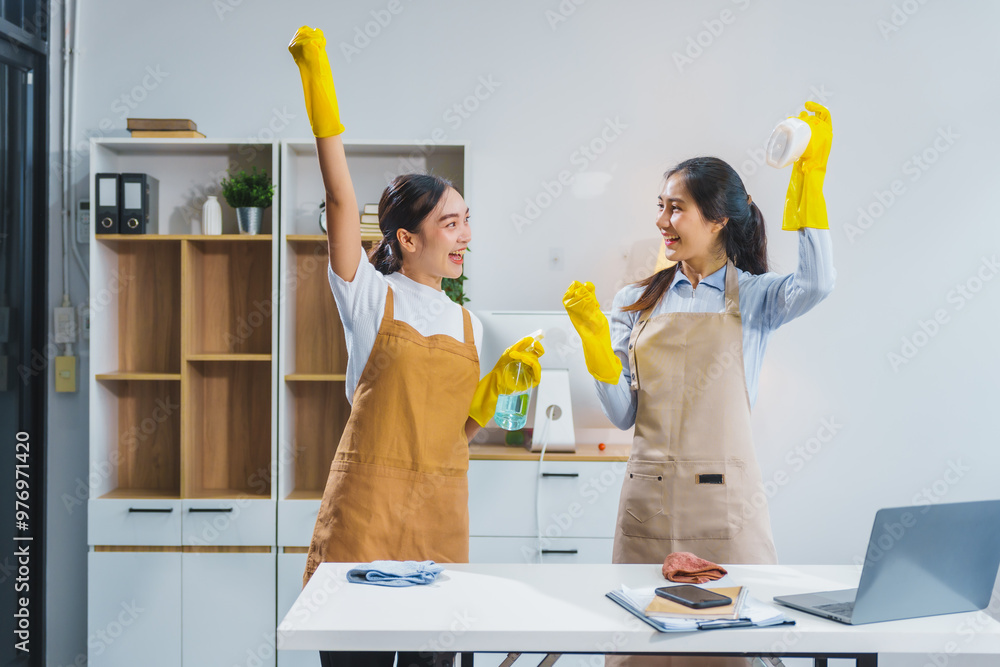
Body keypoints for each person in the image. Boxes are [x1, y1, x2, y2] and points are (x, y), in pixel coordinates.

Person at [288, 25, 543, 667]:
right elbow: (342, 201)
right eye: (449, 224)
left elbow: (457, 431)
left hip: (438, 519)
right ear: (406, 238)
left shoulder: (469, 325)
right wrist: (320, 92)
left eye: (466, 222)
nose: (465, 237)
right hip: (366, 518)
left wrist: (496, 395)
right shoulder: (370, 296)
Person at [563, 104, 835, 667]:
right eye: (659, 207)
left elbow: (819, 282)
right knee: (643, 652)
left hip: (726, 513)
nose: (662, 221)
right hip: (647, 508)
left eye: (675, 208)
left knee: (732, 652)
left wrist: (808, 179)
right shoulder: (634, 301)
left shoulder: (757, 297)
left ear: (717, 220)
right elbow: (621, 414)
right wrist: (596, 345)